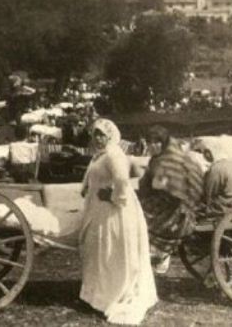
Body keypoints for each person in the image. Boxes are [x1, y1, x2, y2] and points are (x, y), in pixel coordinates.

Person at [78, 118, 157, 325]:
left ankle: (113, 295)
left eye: (101, 134)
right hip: (99, 209)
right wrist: (86, 187)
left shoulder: (114, 155)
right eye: (95, 134)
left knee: (112, 252)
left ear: (111, 136)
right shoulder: (99, 156)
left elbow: (122, 183)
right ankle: (97, 295)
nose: (97, 138)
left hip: (116, 211)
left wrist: (112, 197)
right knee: (99, 251)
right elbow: (90, 177)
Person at [138, 125, 205, 274]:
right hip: (166, 202)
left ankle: (160, 255)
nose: (153, 146)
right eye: (150, 142)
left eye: (157, 142)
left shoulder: (171, 160)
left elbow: (177, 189)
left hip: (180, 209)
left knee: (139, 215)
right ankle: (155, 254)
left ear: (164, 142)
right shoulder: (157, 160)